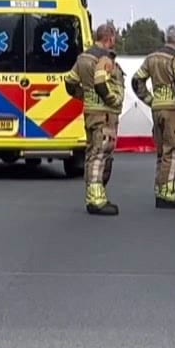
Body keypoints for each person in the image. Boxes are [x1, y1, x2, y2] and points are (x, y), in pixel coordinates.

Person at [64, 20, 124, 215]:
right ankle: (97, 200)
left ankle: (93, 195)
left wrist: (82, 96)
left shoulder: (83, 57)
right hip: (104, 115)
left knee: (91, 155)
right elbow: (100, 80)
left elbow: (70, 81)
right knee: (101, 155)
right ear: (110, 38)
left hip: (89, 112)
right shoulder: (104, 58)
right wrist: (112, 99)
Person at [130, 24, 175, 208]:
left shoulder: (152, 57)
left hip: (157, 108)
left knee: (161, 151)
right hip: (174, 109)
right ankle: (169, 194)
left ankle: (160, 188)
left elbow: (136, 80)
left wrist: (150, 99)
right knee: (173, 151)